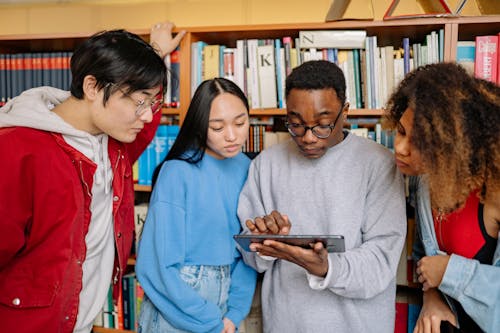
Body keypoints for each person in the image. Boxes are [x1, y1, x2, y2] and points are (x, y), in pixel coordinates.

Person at [0, 22, 184, 333]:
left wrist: (156, 53)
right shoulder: (16, 150)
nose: (149, 115)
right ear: (92, 87)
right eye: (140, 102)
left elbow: (145, 123)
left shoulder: (114, 142)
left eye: (151, 103)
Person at [236, 60, 407, 332]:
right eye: (296, 124)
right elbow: (251, 259)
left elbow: (380, 264)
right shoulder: (265, 165)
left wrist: (327, 268)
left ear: (346, 112)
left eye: (323, 124)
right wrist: (265, 244)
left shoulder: (379, 164)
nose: (308, 137)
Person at [385, 62, 500, 333]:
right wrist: (432, 296)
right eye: (401, 131)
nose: (400, 149)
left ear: (451, 144)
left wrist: (449, 272)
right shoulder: (425, 178)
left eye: (419, 141)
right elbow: (423, 256)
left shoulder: (495, 191)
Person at [136, 77, 258, 333]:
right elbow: (156, 267)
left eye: (240, 122)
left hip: (227, 301)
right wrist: (208, 320)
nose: (232, 136)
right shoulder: (176, 172)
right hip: (180, 299)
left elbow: (248, 250)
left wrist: (234, 314)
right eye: (217, 127)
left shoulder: (248, 169)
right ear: (200, 126)